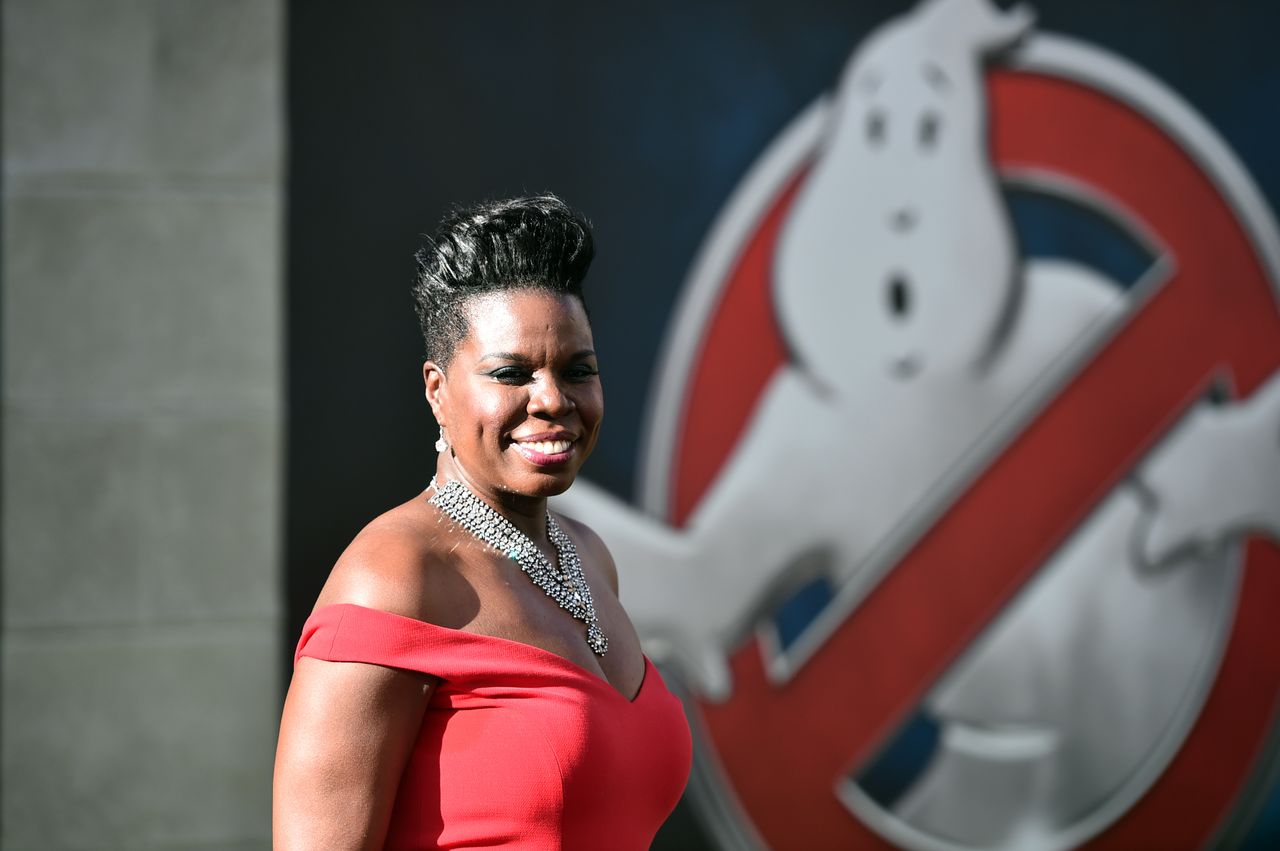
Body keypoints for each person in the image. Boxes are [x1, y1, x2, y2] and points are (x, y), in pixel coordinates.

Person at [273, 194, 693, 850]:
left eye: (578, 370)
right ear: (437, 389)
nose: (553, 399)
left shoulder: (589, 557)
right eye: (511, 373)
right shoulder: (392, 578)